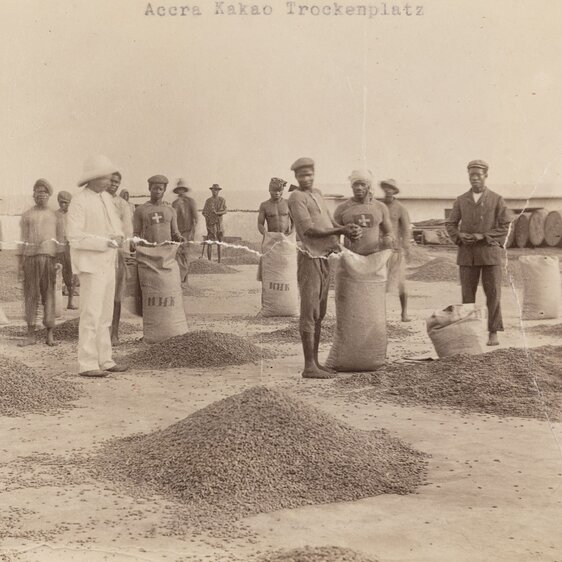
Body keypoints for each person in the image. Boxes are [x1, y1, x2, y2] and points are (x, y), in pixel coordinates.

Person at [287, 157, 362, 379]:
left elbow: (328, 224)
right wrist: (342, 231)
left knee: (320, 312)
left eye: (309, 174)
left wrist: (344, 231)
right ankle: (309, 365)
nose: (306, 178)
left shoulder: (317, 194)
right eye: (302, 175)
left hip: (325, 257)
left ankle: (316, 362)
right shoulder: (296, 197)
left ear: (314, 174)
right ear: (296, 178)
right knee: (309, 311)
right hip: (309, 258)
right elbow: (308, 230)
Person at [67, 155, 127, 377]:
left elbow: (115, 226)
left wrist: (118, 237)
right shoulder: (79, 200)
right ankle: (87, 363)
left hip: (108, 263)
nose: (111, 178)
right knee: (91, 314)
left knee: (105, 315)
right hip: (91, 265)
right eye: (106, 175)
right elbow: (74, 237)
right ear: (93, 178)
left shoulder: (106, 199)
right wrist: (105, 242)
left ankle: (105, 359)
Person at [445, 160, 511, 346]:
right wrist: (459, 237)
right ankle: (469, 332)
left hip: (490, 254)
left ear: (485, 176)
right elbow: (450, 223)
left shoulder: (497, 199)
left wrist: (482, 236)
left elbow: (505, 226)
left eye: (478, 175)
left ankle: (493, 332)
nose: (474, 178)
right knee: (467, 296)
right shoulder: (461, 200)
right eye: (471, 175)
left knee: (493, 294)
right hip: (467, 255)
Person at [18, 179, 62, 347]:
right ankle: (30, 334)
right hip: (30, 259)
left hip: (49, 259)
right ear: (33, 195)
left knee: (49, 296)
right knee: (30, 296)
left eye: (44, 192)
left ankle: (49, 334)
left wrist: (59, 261)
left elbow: (60, 240)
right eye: (38, 192)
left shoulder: (55, 215)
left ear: (49, 195)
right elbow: (22, 240)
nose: (41, 195)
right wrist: (20, 263)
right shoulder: (27, 215)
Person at [334, 169, 394, 255]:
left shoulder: (380, 207)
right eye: (356, 184)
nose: (359, 188)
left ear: (369, 186)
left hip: (375, 257)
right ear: (352, 186)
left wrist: (388, 238)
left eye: (363, 184)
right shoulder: (342, 208)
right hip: (351, 258)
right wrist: (338, 250)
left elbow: (389, 232)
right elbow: (335, 233)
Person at [380, 179, 412, 322]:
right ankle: (379, 315)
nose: (388, 190)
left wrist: (406, 247)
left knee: (401, 283)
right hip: (379, 249)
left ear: (394, 191)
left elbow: (406, 229)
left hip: (396, 250)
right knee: (378, 282)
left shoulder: (400, 208)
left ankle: (404, 313)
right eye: (386, 188)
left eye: (391, 188)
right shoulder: (378, 206)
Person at [107, 171, 133, 346]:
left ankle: (114, 333)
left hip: (116, 254)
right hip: (99, 254)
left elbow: (127, 230)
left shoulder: (123, 205)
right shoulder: (96, 201)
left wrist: (125, 251)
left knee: (116, 296)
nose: (114, 184)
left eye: (117, 182)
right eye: (111, 181)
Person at [133, 175, 184, 245]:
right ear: (149, 188)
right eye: (154, 188)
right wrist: (134, 241)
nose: (157, 191)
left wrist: (180, 238)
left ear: (164, 190)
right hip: (147, 251)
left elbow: (175, 233)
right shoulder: (140, 210)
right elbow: (136, 233)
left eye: (160, 189)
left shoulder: (171, 210)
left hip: (166, 253)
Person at [172, 178, 198, 287]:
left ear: (184, 190)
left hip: (188, 232)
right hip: (177, 233)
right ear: (177, 191)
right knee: (177, 255)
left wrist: (193, 232)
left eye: (182, 189)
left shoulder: (190, 202)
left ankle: (186, 279)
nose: (180, 191)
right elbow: (172, 219)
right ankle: (180, 279)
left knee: (186, 255)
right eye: (179, 189)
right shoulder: (174, 203)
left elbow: (195, 218)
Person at [55, 190, 77, 310]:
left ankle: (70, 302)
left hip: (71, 249)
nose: (64, 205)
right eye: (62, 202)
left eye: (66, 203)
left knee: (72, 276)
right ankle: (57, 304)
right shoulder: (54, 215)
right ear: (58, 202)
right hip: (58, 249)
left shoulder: (74, 215)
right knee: (57, 275)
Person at [202, 184, 227, 262]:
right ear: (211, 190)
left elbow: (225, 211)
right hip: (210, 225)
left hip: (219, 224)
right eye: (213, 190)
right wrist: (209, 218)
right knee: (209, 243)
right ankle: (209, 261)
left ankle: (219, 261)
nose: (215, 191)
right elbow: (204, 212)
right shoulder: (208, 201)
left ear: (218, 191)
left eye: (216, 190)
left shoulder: (222, 200)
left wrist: (217, 213)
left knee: (219, 242)